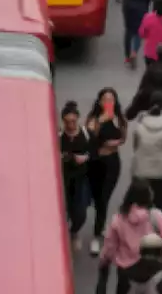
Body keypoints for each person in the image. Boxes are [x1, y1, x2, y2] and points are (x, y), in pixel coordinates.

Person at [98, 179, 162, 293]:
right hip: (152, 270)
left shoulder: (118, 219)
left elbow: (110, 247)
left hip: (126, 272)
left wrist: (104, 260)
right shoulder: (156, 216)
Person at [86, 88, 128, 255]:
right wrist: (102, 121)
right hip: (96, 163)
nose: (108, 103)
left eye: (111, 99)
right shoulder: (94, 118)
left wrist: (116, 142)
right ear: (99, 101)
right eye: (105, 99)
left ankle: (97, 235)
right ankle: (100, 223)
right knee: (97, 200)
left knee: (104, 198)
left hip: (112, 163)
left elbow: (123, 138)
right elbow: (90, 137)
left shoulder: (118, 118)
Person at [130, 91, 162, 215]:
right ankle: (161, 228)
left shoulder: (141, 122)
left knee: (142, 201)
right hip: (161, 170)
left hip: (141, 169)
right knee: (161, 200)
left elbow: (135, 146)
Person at [60, 101, 92, 252]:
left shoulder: (86, 134)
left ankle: (74, 231)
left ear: (78, 119)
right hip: (63, 180)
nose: (71, 125)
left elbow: (95, 152)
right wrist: (65, 157)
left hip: (80, 180)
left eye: (73, 121)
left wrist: (86, 158)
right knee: (62, 210)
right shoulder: (59, 136)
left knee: (80, 212)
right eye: (67, 122)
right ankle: (61, 234)